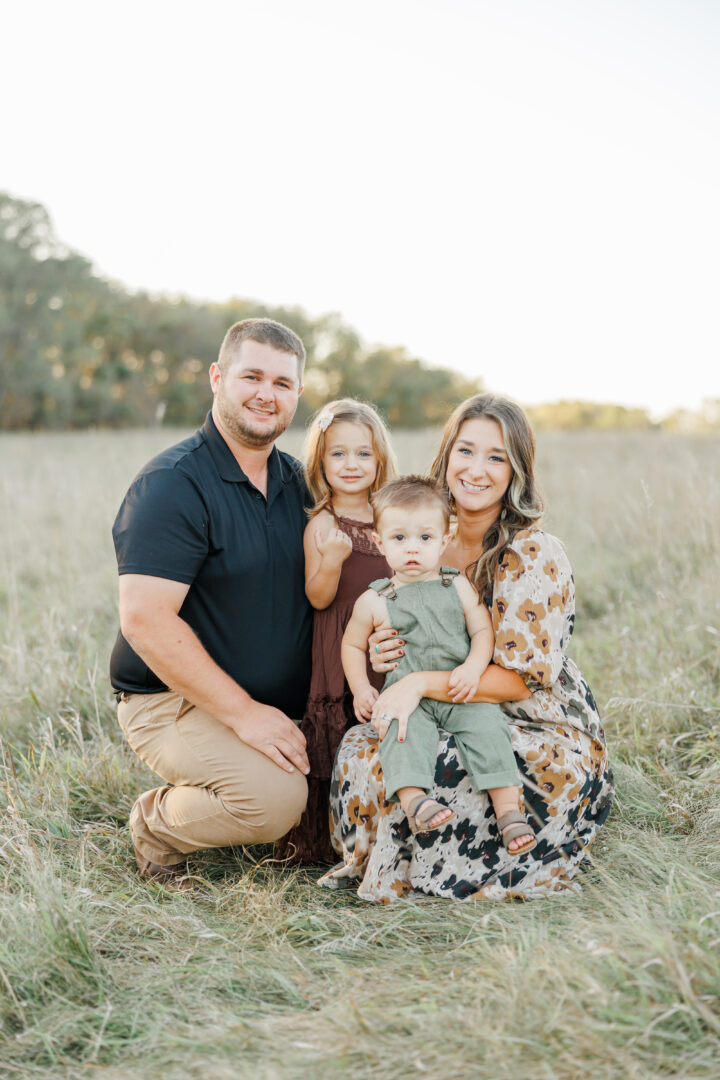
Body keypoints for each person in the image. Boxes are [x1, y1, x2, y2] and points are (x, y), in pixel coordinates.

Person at [322, 394, 613, 901]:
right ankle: (395, 865)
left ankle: (482, 853)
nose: (477, 470)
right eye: (466, 451)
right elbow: (384, 625)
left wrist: (416, 683)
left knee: (460, 763)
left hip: (526, 713)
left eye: (496, 457)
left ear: (516, 469)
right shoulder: (420, 534)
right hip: (435, 701)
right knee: (364, 751)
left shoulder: (533, 552)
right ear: (446, 454)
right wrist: (384, 655)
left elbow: (519, 680)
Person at [110, 318, 312, 881]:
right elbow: (145, 622)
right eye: (251, 376)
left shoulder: (300, 483)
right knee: (274, 801)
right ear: (218, 378)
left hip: (267, 704)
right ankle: (154, 826)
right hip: (169, 698)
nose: (265, 395)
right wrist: (245, 716)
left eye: (282, 383)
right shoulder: (171, 485)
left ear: (298, 393)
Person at [342, 476, 536, 852]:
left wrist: (473, 668)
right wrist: (361, 688)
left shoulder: (458, 585)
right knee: (398, 732)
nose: (412, 549)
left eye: (425, 539)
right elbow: (351, 644)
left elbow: (483, 632)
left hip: (458, 689)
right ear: (380, 543)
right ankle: (416, 800)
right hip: (407, 698)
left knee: (487, 726)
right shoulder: (375, 600)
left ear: (444, 540)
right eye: (399, 539)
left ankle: (509, 811)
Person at [277, 399, 397, 864]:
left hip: (385, 645)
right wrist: (332, 560)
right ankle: (337, 835)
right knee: (345, 728)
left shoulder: (388, 516)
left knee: (385, 728)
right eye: (338, 454)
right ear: (320, 462)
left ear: (379, 459)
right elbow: (318, 597)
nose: (351, 465)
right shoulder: (322, 524)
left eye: (363, 454)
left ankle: (386, 822)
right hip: (341, 646)